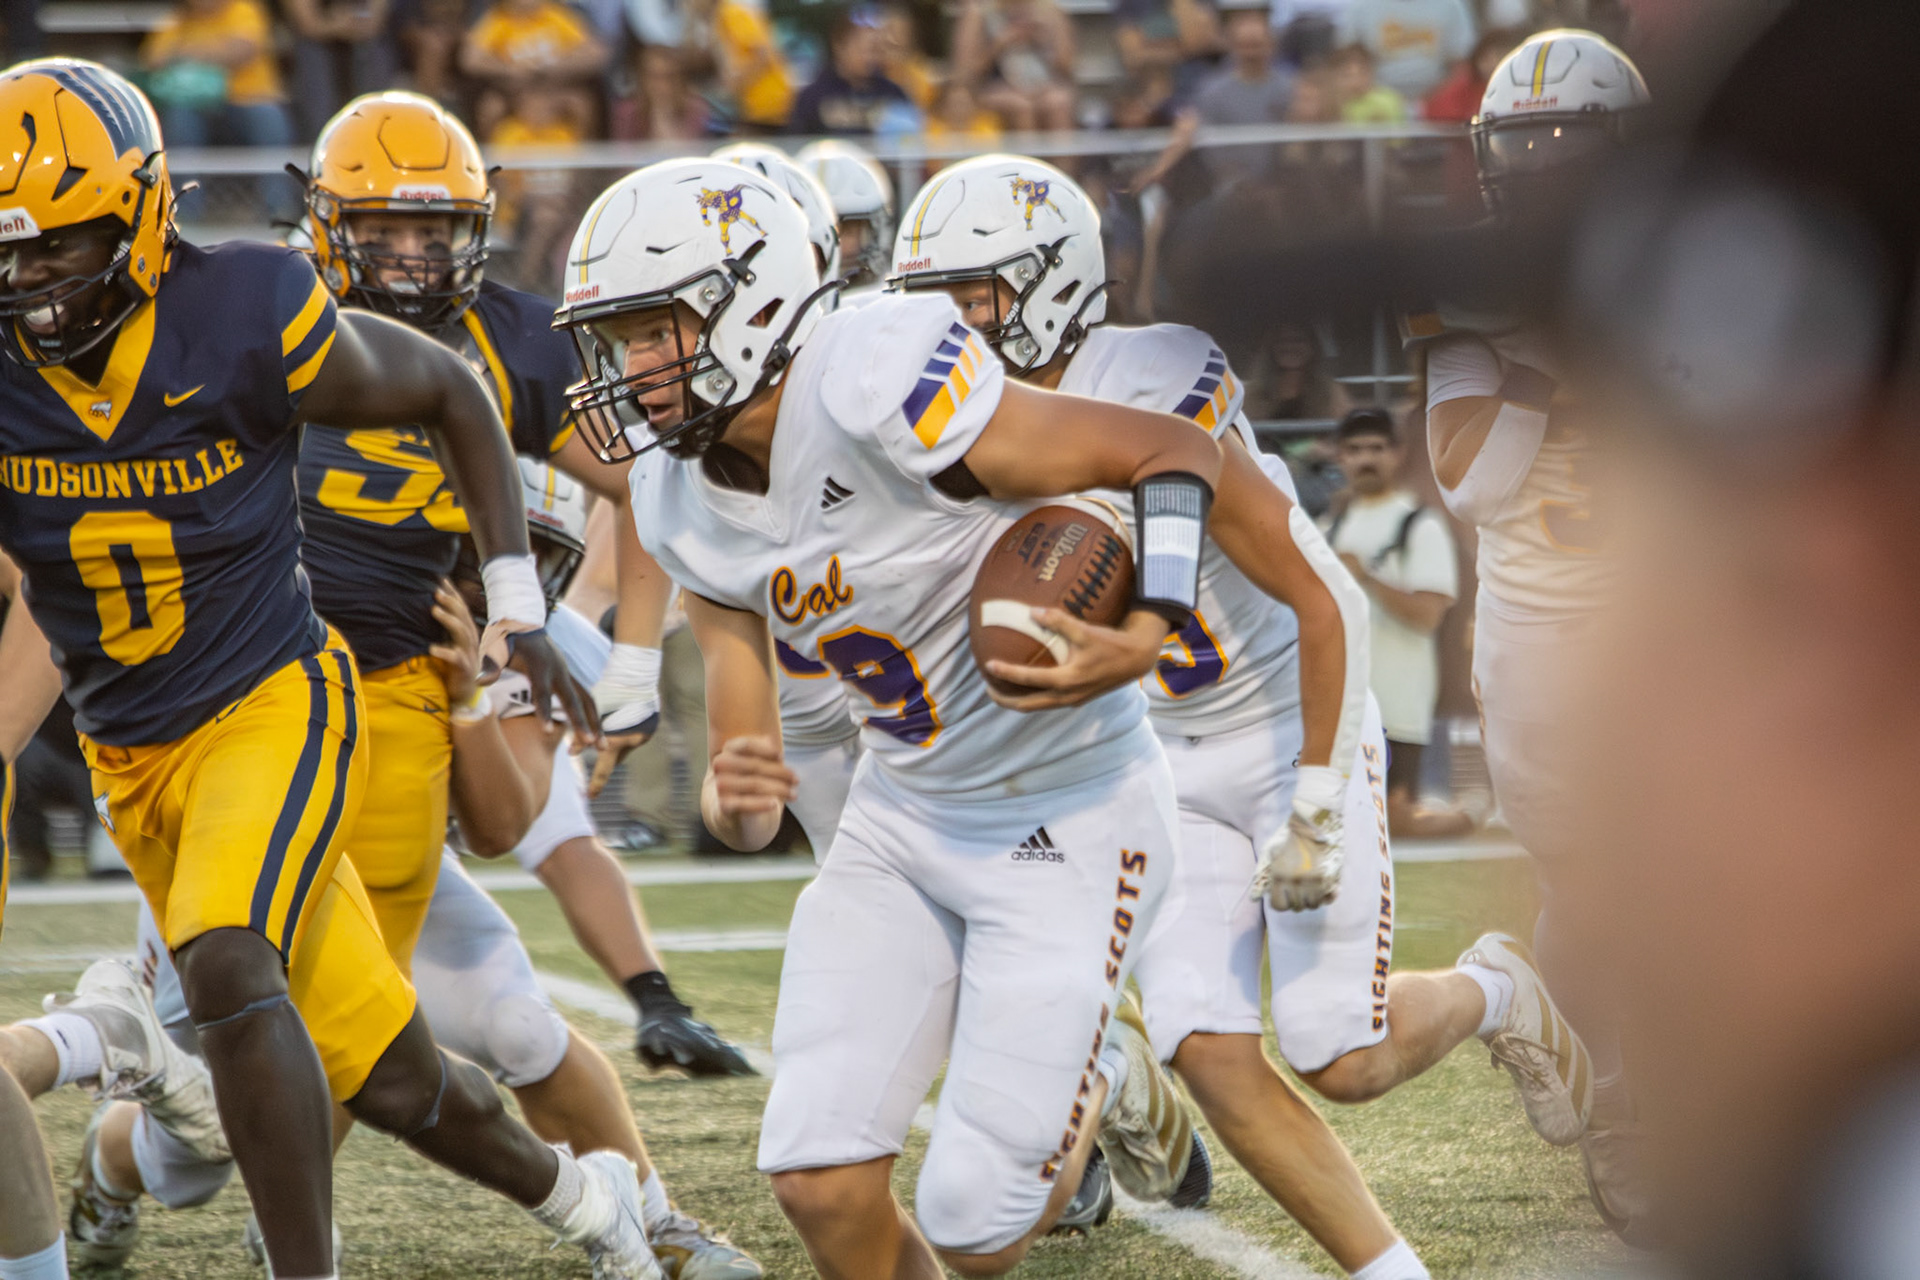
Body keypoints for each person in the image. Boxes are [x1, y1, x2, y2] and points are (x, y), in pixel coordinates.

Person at [0, 60, 658, 1280]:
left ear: (142, 212)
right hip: (128, 752)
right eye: (11, 255)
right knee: (393, 1071)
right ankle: (589, 1200)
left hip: (272, 701)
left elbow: (449, 387)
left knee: (229, 956)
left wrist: (515, 601)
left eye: (60, 246)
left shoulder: (242, 307)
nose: (31, 282)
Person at [892, 154, 1593, 1280]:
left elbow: (1331, 601)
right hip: (1162, 750)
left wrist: (1315, 798)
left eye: (974, 297)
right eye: (934, 303)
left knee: (1340, 1053)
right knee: (1209, 1050)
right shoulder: (961, 423)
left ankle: (1502, 983)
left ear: (1052, 281)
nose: (953, 328)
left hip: (1287, 719)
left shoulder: (1153, 372)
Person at [558, 155, 1234, 1276]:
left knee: (975, 1217)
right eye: (618, 340)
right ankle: (1084, 1072)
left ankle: (1099, 1073)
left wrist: (1153, 623)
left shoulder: (875, 369)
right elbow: (740, 708)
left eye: (652, 332)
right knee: (818, 1177)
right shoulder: (678, 496)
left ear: (753, 299)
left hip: (1065, 812)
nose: (632, 372)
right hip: (903, 814)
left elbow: (1171, 449)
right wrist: (739, 781)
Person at [64, 463, 761, 1277]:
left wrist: (467, 700)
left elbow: (504, 828)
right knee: (199, 1149)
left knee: (519, 1025)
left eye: (522, 561)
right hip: (246, 864)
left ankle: (652, 1218)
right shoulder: (299, 597)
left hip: (398, 880)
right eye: (467, 555)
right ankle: (109, 1170)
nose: (483, 584)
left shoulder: (540, 645)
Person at [300, 91, 732, 1072]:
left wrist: (627, 662)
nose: (413, 253)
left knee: (470, 986)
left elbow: (651, 486)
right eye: (386, 226)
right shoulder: (266, 316)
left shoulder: (514, 338)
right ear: (328, 221)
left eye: (434, 227)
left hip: (455, 641)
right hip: (271, 665)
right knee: (228, 1008)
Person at [1411, 27, 1650, 1243]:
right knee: (1590, 878)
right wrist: (1555, 354)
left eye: (1570, 141)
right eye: (1526, 143)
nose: (1546, 164)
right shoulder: (1476, 283)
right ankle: (1610, 1090)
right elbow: (1472, 483)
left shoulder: (1686, 258)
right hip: (1544, 638)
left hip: (1675, 613)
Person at [1322, 408, 1468, 839]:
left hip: (1397, 708)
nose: (1366, 459)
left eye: (1376, 448)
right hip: (1335, 705)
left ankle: (1464, 816)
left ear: (1398, 454)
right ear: (1339, 457)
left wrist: (1364, 575)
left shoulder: (1420, 524)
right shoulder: (1326, 528)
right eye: (1354, 449)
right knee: (1340, 829)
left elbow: (1427, 616)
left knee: (1391, 825)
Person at [1131, 8, 1295, 195]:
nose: (1251, 53)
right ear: (1233, 46)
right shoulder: (1212, 91)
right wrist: (1158, 169)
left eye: (1256, 45)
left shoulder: (1290, 88)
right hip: (1229, 190)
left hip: (1281, 189)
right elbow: (1188, 127)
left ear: (1270, 45)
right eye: (1245, 45)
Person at [458, 0, 609, 139]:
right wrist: (508, 69)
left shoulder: (555, 16)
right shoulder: (497, 20)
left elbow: (596, 53)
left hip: (554, 88)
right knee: (491, 107)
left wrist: (556, 66)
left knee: (581, 105)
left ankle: (584, 163)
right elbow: (470, 59)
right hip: (512, 91)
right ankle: (487, 162)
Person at [787, 5, 916, 135]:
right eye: (863, 49)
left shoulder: (893, 94)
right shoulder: (813, 96)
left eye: (876, 50)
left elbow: (911, 141)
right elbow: (795, 143)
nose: (870, 58)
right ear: (839, 45)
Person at [951, 0, 1078, 132]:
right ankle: (1028, 152)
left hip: (1043, 85)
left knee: (1058, 103)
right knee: (1021, 107)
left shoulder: (1049, 10)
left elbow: (1067, 65)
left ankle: (1062, 152)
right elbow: (965, 72)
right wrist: (1000, 44)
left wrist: (1042, 39)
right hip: (993, 86)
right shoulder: (980, 11)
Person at [283, 0, 401, 142]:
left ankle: (375, 132)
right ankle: (319, 135)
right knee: (312, 51)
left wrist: (353, 25)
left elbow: (375, 23)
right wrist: (337, 26)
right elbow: (307, 25)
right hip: (318, 42)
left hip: (360, 38)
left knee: (373, 50)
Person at [798, 137, 897, 290]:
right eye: (816, 231)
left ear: (874, 231)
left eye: (846, 230)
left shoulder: (889, 302)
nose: (830, 243)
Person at [1338, 0, 1474, 101]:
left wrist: (1439, 99)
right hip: (1374, 100)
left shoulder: (1451, 5)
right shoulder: (1360, 7)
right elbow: (1345, 60)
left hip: (1437, 101)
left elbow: (1461, 64)